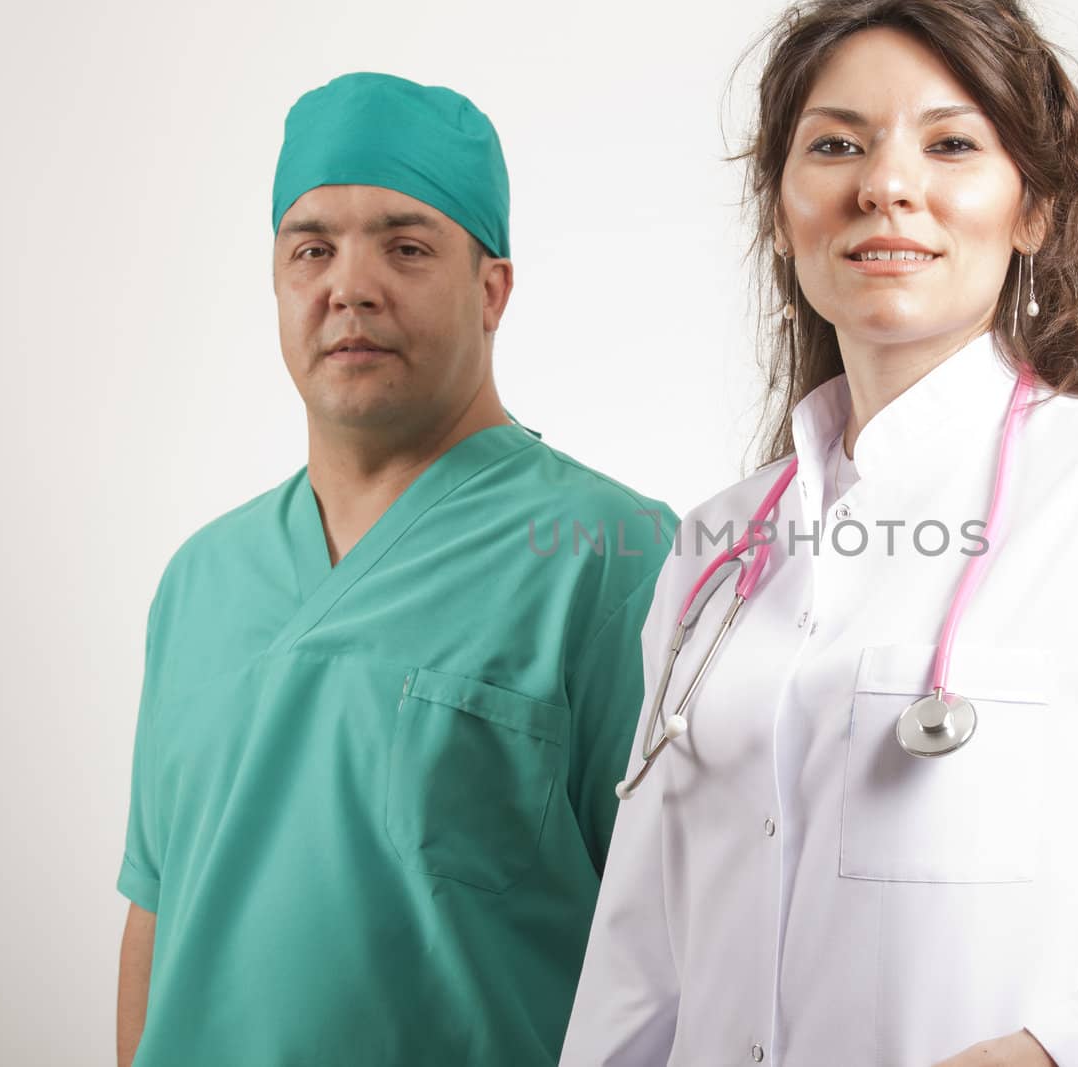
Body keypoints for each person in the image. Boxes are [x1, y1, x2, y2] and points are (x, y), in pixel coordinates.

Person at [560, 3, 1078, 1065]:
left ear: (1034, 211)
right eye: (834, 144)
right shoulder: (715, 544)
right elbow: (642, 949)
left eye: (951, 142)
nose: (883, 183)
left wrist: (1063, 1049)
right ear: (781, 212)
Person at [114, 72, 676, 1066]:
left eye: (407, 246)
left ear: (491, 288)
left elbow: (684, 948)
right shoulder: (201, 579)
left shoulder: (614, 557)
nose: (350, 286)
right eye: (312, 248)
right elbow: (159, 917)